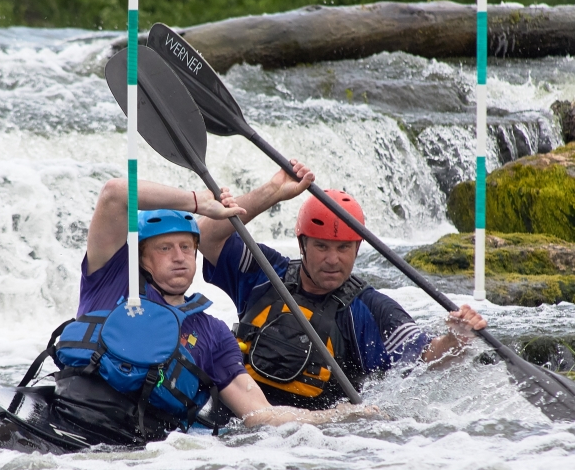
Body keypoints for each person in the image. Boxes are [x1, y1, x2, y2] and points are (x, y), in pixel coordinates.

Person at [37, 176, 383, 448]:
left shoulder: (214, 334)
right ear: (141, 258)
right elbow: (115, 194)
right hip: (64, 417)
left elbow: (260, 415)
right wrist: (197, 203)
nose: (179, 256)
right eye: (165, 248)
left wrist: (338, 416)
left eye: (187, 247)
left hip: (128, 448)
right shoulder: (111, 279)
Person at [198, 161, 487, 410]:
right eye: (322, 247)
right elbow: (206, 236)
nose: (333, 260)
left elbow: (425, 358)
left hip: (316, 438)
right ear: (302, 244)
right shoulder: (266, 273)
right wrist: (272, 192)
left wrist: (455, 339)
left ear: (358, 249)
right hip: (238, 423)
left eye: (344, 248)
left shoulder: (371, 309)